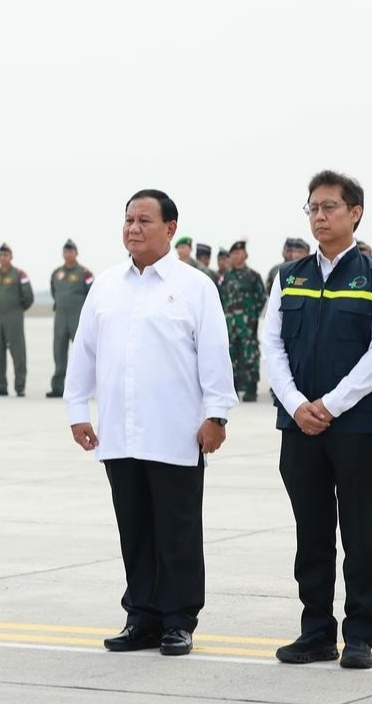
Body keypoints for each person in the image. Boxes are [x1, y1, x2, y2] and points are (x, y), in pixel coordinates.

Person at [65, 189, 237, 658]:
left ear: (170, 228)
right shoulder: (105, 285)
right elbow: (83, 352)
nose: (133, 228)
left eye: (144, 220)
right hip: (119, 432)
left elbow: (215, 356)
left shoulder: (196, 286)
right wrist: (78, 410)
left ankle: (178, 620)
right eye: (128, 220)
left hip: (176, 432)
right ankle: (141, 615)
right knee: (135, 529)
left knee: (177, 532)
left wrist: (216, 415)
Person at [260, 169, 372, 670]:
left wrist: (331, 405)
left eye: (329, 207)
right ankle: (315, 630)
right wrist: (298, 404)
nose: (320, 216)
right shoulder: (288, 276)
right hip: (300, 426)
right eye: (313, 208)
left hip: (356, 428)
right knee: (311, 532)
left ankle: (359, 634)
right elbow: (271, 345)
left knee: (359, 532)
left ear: (354, 213)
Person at [219, 240, 267, 401]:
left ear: (245, 255)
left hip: (247, 325)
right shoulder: (225, 277)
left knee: (250, 355)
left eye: (239, 253)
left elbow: (261, 298)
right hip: (230, 325)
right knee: (230, 355)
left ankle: (251, 388)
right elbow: (219, 298)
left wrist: (252, 315)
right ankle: (233, 386)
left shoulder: (253, 276)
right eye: (233, 253)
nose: (236, 256)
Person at [0, 243, 34, 397]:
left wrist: (17, 309)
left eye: (6, 255)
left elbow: (28, 297)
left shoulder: (19, 274)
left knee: (18, 352)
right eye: (0, 255)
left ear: (11, 257)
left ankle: (20, 386)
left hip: (14, 316)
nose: (3, 257)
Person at [46, 239, 93, 398]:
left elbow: (92, 294)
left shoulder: (85, 273)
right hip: (60, 317)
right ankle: (58, 387)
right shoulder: (56, 273)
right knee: (58, 352)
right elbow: (54, 291)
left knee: (81, 353)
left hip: (77, 317)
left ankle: (85, 388)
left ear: (76, 253)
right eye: (65, 251)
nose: (68, 254)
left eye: (71, 251)